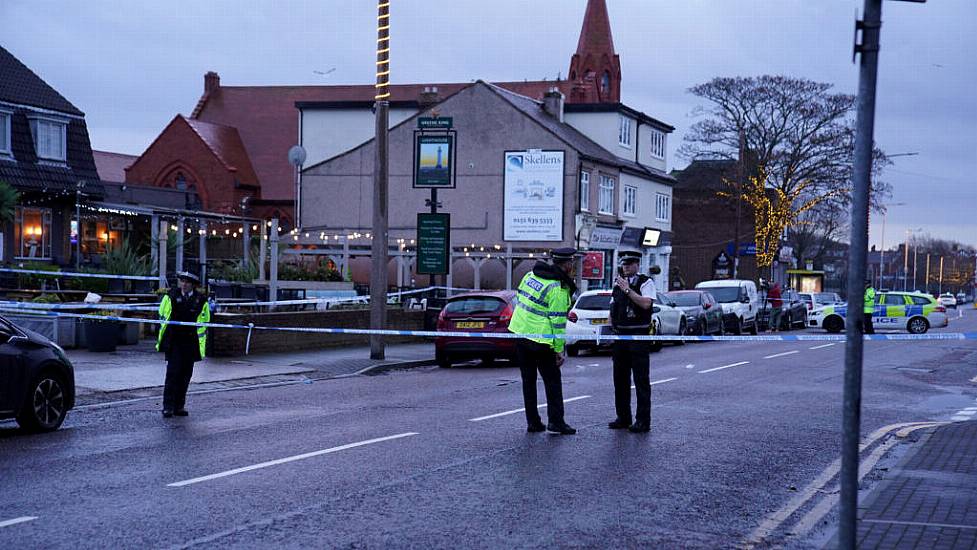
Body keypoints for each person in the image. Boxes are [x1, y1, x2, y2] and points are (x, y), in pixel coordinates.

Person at [508, 247, 578, 435]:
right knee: (552, 381)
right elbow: (556, 323)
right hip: (541, 339)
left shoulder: (531, 275)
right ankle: (556, 422)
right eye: (572, 263)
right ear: (567, 265)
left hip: (520, 333)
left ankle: (533, 422)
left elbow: (524, 299)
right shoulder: (558, 288)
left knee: (528, 381)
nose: (573, 267)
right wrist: (558, 350)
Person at [609, 251, 656, 433]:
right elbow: (613, 306)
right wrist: (610, 323)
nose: (626, 267)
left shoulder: (645, 282)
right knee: (620, 380)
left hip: (638, 337)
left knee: (641, 380)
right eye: (624, 264)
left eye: (629, 264)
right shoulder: (618, 283)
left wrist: (628, 290)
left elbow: (646, 304)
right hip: (620, 337)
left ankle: (643, 421)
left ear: (637, 264)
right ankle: (623, 417)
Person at [157, 271, 211, 418]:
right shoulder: (171, 296)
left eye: (187, 282)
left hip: (191, 341)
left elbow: (204, 321)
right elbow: (162, 315)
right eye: (182, 281)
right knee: (172, 374)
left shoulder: (201, 300)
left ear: (193, 285)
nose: (184, 284)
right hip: (174, 341)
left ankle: (179, 406)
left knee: (185, 375)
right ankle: (167, 407)